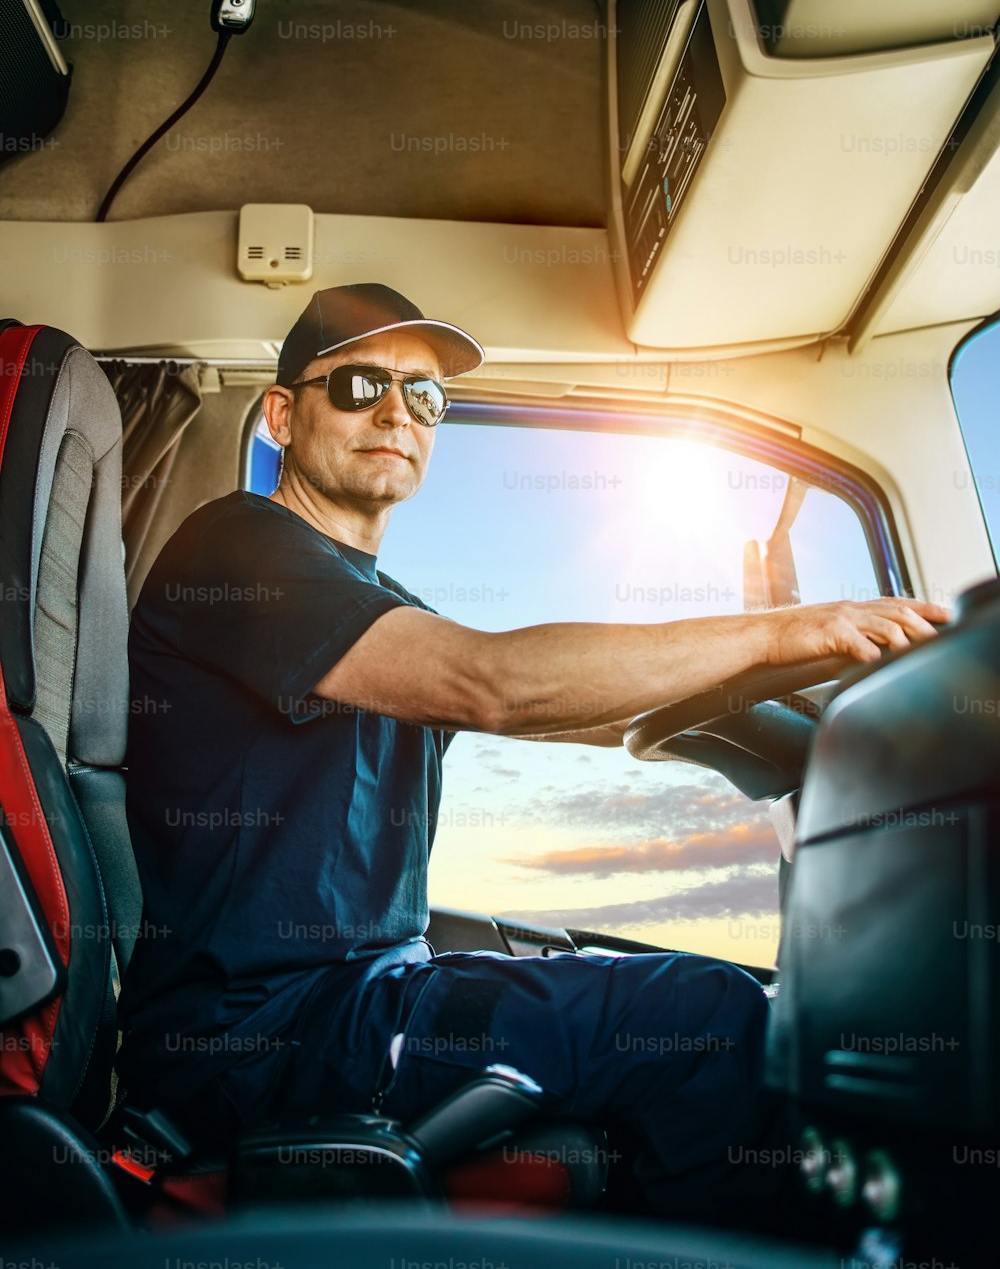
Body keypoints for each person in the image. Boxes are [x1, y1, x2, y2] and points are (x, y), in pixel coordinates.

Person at [117, 282, 946, 1218]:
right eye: (357, 385)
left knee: (711, 1004)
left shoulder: (378, 609)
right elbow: (497, 684)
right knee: (709, 1024)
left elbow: (568, 704)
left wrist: (755, 672)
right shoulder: (238, 548)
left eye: (424, 396)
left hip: (361, 995)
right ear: (282, 413)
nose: (397, 412)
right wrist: (785, 630)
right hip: (259, 1036)